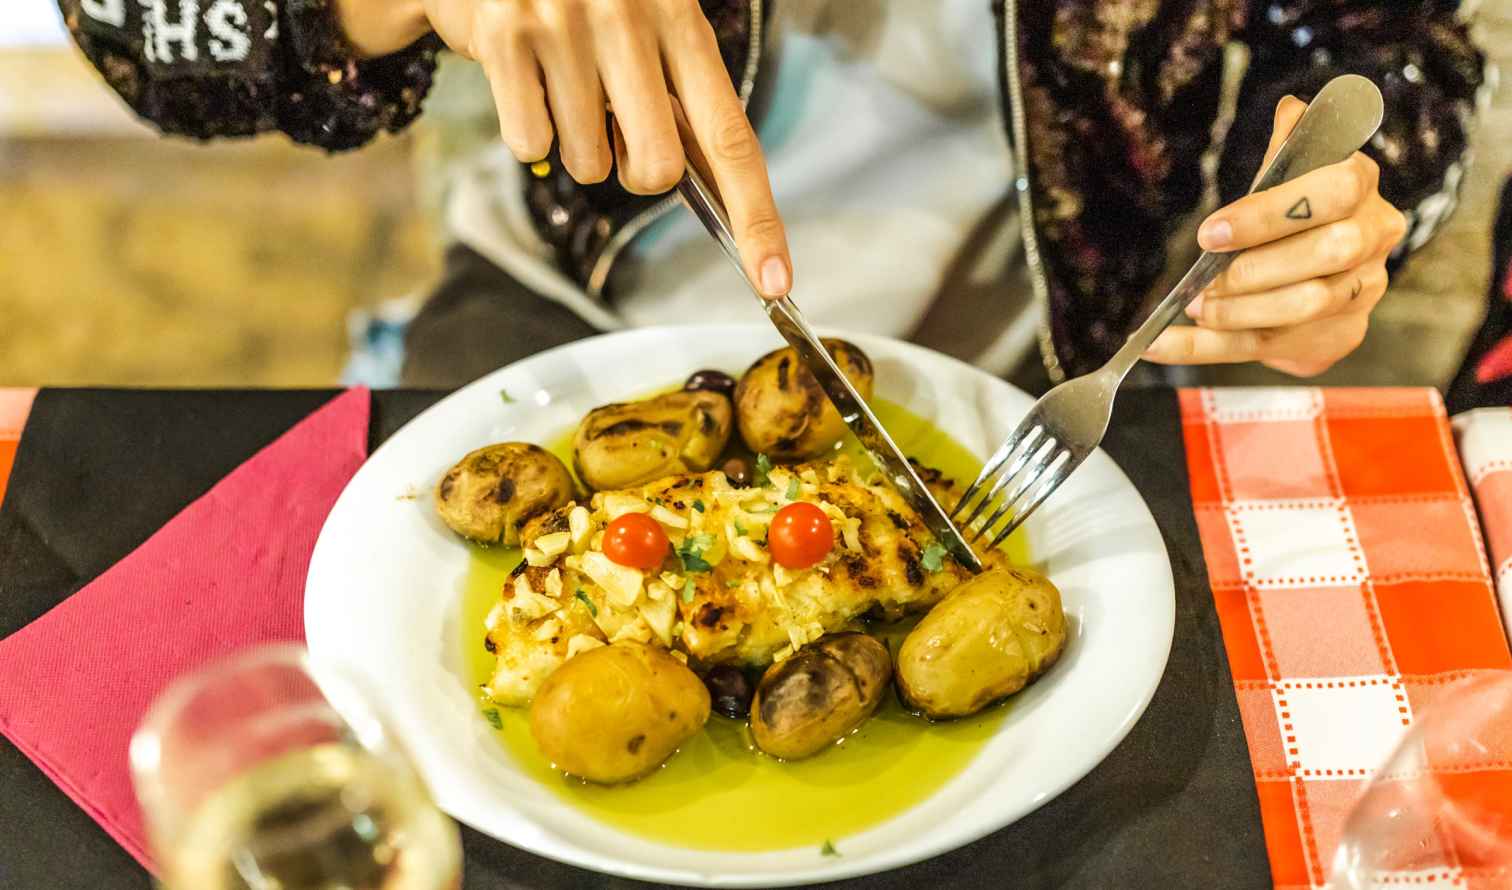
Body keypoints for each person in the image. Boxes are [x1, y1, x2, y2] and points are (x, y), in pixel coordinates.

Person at [57, 0, 1483, 389]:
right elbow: (132, 24)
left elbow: (1395, 40)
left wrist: (1353, 199)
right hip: (562, 305)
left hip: (1064, 362)